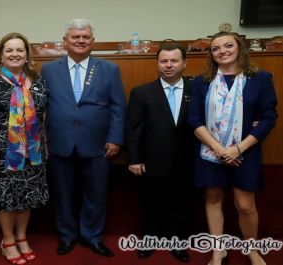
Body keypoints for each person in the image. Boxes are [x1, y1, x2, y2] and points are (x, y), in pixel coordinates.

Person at [188, 31, 277, 265]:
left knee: (246, 205)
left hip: (246, 152)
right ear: (211, 54)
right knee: (213, 199)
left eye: (228, 45)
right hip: (210, 151)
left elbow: (268, 118)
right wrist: (219, 148)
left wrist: (238, 149)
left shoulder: (261, 79)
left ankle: (252, 249)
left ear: (239, 49)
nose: (222, 51)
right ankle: (219, 250)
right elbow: (194, 119)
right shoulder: (201, 82)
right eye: (216, 48)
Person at [41, 18, 125, 257]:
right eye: (75, 37)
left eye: (85, 37)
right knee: (62, 193)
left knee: (96, 194)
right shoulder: (48, 69)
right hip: (60, 142)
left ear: (93, 42)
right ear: (65, 41)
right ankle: (67, 236)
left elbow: (118, 106)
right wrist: (43, 139)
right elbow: (41, 106)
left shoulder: (109, 69)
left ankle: (92, 236)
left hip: (99, 143)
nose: (80, 40)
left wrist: (116, 138)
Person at [0, 32, 48, 265]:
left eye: (20, 50)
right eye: (9, 50)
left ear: (27, 55)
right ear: (1, 55)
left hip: (33, 153)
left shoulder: (37, 80)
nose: (15, 54)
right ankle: (7, 240)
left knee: (27, 195)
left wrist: (45, 147)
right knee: (6, 198)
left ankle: (22, 237)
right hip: (2, 153)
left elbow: (43, 116)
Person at [126, 42, 194, 263]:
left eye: (174, 61)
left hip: (188, 160)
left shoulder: (198, 89)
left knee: (181, 204)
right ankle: (149, 241)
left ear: (184, 63)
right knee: (151, 204)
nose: (168, 65)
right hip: (152, 161)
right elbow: (133, 129)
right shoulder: (141, 93)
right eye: (163, 61)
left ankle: (178, 243)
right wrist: (134, 159)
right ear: (157, 63)